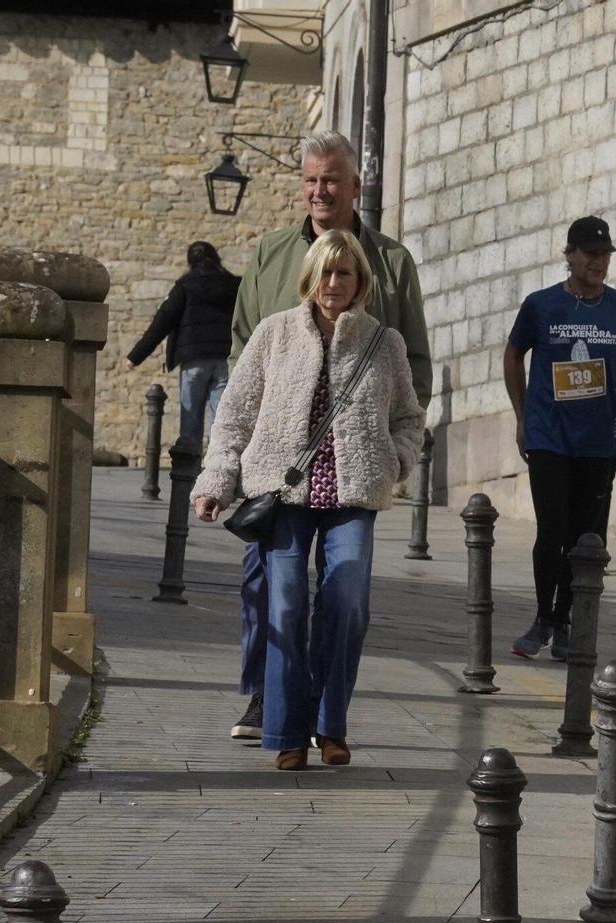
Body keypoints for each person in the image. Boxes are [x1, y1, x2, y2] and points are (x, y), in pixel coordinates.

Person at [225, 130, 431, 743]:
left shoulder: (391, 263)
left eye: (331, 180)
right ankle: (267, 698)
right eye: (311, 180)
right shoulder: (269, 254)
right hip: (277, 468)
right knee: (266, 584)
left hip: (352, 463)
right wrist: (237, 460)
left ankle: (318, 709)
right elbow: (243, 353)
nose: (320, 191)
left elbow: (411, 362)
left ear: (353, 186)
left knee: (344, 595)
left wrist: (394, 457)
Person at [190, 230, 422, 770]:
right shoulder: (274, 334)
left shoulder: (383, 342)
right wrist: (216, 483)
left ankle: (330, 726)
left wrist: (398, 459)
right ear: (309, 278)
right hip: (282, 491)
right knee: (286, 604)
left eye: (345, 273)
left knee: (345, 602)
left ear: (360, 281)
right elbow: (236, 414)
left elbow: (409, 416)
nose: (333, 283)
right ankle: (286, 732)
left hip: (353, 490)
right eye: (325, 272)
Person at [504, 216, 616, 661]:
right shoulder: (541, 305)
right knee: (551, 528)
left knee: (586, 537)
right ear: (569, 255)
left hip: (600, 440)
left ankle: (567, 620)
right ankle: (543, 617)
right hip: (548, 436)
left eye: (605, 254)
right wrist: (521, 415)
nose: (598, 262)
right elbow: (513, 356)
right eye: (590, 253)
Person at [126, 241, 242, 451]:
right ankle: (217, 469)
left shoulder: (185, 286)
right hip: (225, 357)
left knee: (190, 417)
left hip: (193, 359)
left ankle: (186, 474)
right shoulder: (234, 285)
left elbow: (162, 321)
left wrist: (135, 357)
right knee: (221, 418)